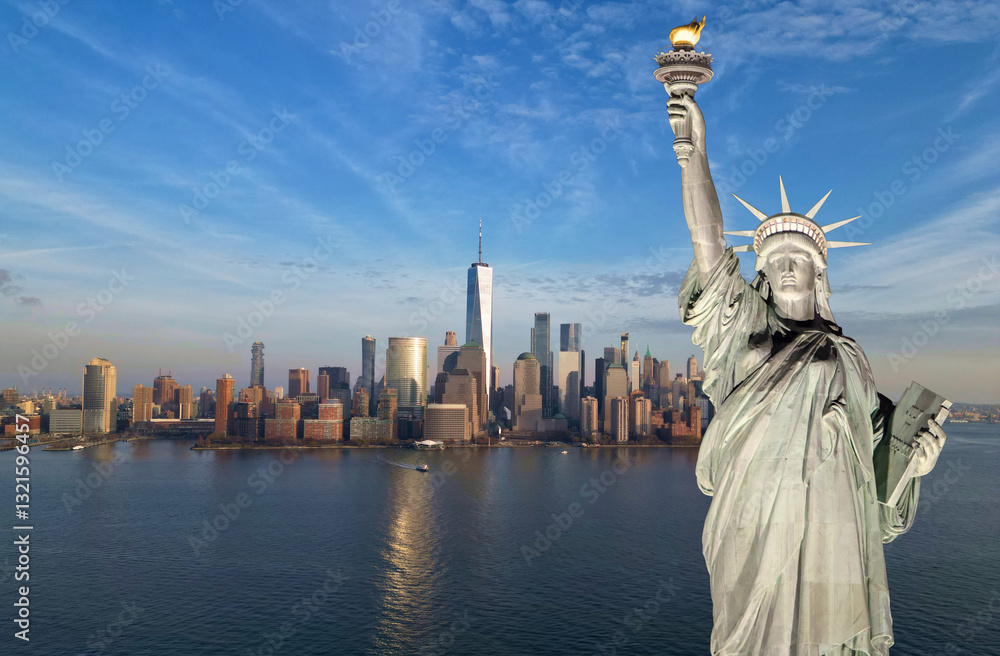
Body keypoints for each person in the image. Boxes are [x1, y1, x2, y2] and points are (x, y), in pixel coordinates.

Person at [667, 92, 947, 655]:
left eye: (800, 258)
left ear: (820, 274)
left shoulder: (849, 358)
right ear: (762, 276)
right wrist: (693, 155)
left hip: (834, 531)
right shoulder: (744, 328)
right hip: (752, 522)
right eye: (775, 261)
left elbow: (876, 478)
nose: (788, 266)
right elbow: (708, 248)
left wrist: (916, 462)